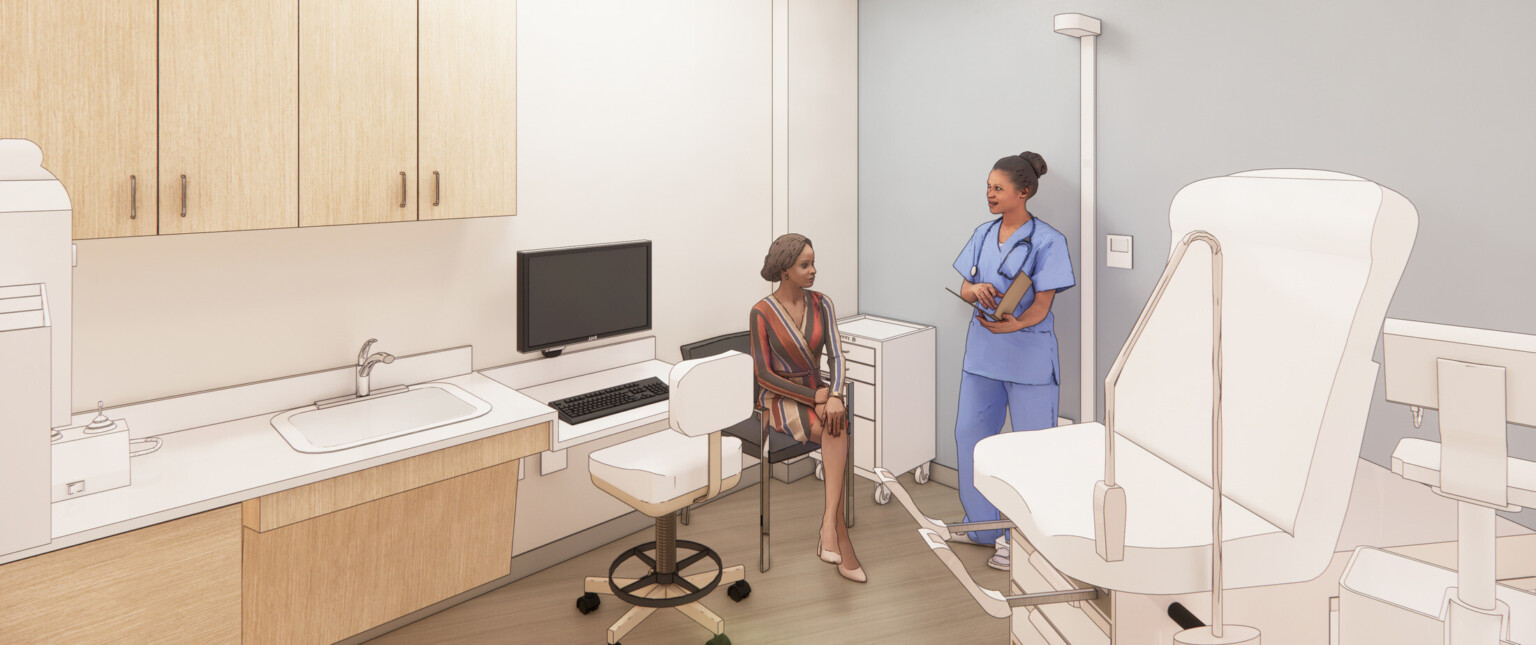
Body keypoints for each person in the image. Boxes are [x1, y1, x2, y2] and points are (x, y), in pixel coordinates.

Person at [951, 151, 1076, 570]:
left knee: (1032, 454)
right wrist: (977, 291)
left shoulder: (1048, 241)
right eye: (988, 186)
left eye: (997, 188)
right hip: (983, 355)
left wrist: (1015, 323)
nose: (989, 194)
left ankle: (1025, 542)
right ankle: (983, 529)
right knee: (971, 438)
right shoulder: (983, 234)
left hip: (1028, 360)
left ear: (1023, 192)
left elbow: (1041, 306)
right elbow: (964, 286)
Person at [748, 233, 864, 583]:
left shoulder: (822, 304)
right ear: (785, 271)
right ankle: (838, 535)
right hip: (780, 398)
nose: (813, 270)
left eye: (813, 263)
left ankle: (829, 525)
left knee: (836, 421)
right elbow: (764, 375)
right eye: (805, 265)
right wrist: (813, 398)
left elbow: (837, 356)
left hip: (818, 390)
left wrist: (835, 395)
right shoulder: (761, 313)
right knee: (833, 429)